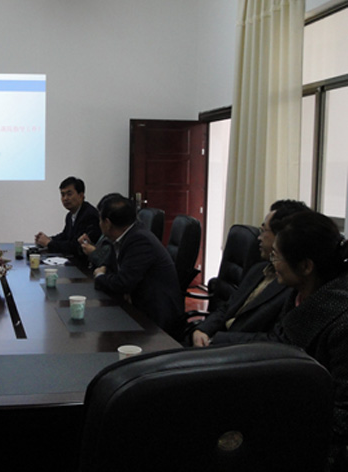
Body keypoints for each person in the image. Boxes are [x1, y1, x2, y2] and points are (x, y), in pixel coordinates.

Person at [219, 211, 348, 469]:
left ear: (306, 266)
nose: (272, 262)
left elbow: (341, 419)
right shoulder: (299, 293)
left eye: (277, 256)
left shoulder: (342, 324)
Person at [191, 199, 310, 347]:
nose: (259, 237)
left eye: (264, 231)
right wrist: (203, 329)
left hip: (237, 352)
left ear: (282, 236)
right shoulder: (258, 270)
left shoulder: (293, 287)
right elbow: (228, 307)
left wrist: (218, 339)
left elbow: (274, 341)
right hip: (213, 344)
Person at [88, 193, 183, 336]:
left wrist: (100, 276)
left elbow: (122, 283)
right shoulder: (121, 236)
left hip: (156, 320)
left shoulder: (139, 240)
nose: (99, 224)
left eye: (100, 220)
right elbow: (110, 270)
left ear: (107, 223)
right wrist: (106, 276)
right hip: (137, 305)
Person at [34, 176, 101, 259]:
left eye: (69, 194)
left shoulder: (89, 215)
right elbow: (65, 236)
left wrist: (49, 243)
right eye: (62, 195)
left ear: (81, 196)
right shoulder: (70, 215)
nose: (65, 198)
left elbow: (76, 246)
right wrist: (47, 239)